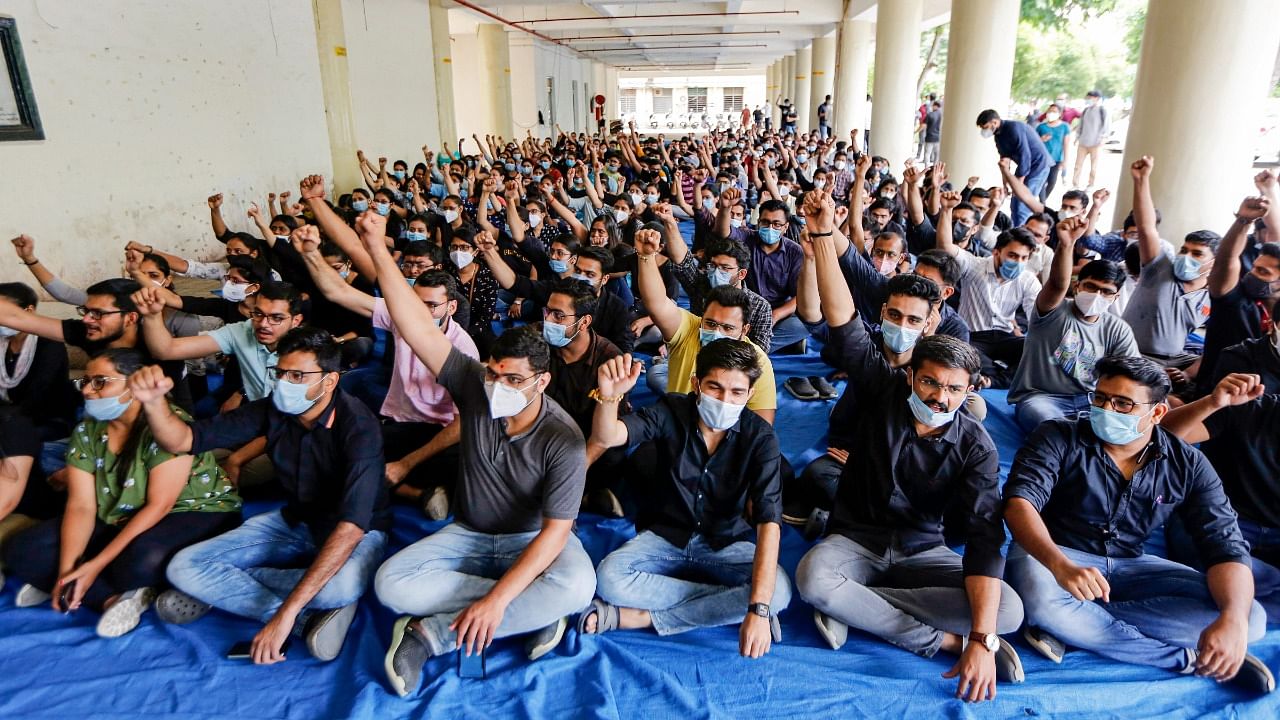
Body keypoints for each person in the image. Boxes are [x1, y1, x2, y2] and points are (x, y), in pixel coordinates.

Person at [350, 212, 594, 698]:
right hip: (471, 533)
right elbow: (417, 326)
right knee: (392, 583)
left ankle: (430, 634)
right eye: (494, 374)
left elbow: (553, 535)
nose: (499, 387)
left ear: (541, 382)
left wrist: (497, 600)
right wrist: (378, 248)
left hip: (530, 542)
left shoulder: (563, 440)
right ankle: (533, 614)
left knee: (577, 587)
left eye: (514, 380)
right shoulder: (471, 386)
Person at [794, 191, 1025, 701]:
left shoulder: (977, 446)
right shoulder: (883, 387)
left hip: (924, 548)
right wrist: (821, 237)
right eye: (928, 384)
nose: (939, 398)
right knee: (813, 578)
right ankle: (937, 640)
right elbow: (842, 320)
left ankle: (863, 605)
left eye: (952, 389)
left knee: (1009, 609)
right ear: (912, 377)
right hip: (857, 538)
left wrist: (985, 639)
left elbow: (986, 538)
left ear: (971, 391)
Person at [1004, 356, 1273, 695]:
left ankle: (1074, 622)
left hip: (1131, 567)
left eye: (1123, 403)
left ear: (1157, 413)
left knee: (1250, 618)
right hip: (1052, 557)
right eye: (1100, 398)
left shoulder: (1187, 463)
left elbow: (1225, 545)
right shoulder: (1058, 436)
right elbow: (1019, 503)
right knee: (1042, 599)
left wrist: (1232, 620)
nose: (1106, 409)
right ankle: (1188, 661)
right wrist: (1062, 567)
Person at [135, 327, 391, 664]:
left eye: (298, 375)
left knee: (338, 588)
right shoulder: (273, 410)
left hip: (358, 531)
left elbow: (351, 527)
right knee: (184, 567)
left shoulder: (359, 427)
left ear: (329, 381)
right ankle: (306, 621)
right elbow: (182, 440)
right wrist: (154, 404)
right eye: (281, 372)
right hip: (296, 520)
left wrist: (279, 613)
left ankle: (227, 587)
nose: (285, 382)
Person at [3, 349, 241, 638]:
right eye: (86, 382)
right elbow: (81, 506)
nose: (88, 390)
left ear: (134, 384)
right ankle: (109, 598)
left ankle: (115, 583)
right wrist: (67, 571)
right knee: (24, 550)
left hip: (193, 510)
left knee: (138, 561)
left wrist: (94, 565)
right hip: (119, 512)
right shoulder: (88, 430)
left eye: (101, 382)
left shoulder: (168, 424)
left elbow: (159, 505)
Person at [579, 343, 790, 656]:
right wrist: (610, 397)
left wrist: (759, 607)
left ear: (749, 394)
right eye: (715, 388)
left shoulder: (760, 437)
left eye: (736, 392)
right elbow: (610, 436)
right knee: (609, 578)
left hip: (726, 542)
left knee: (779, 592)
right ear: (696, 384)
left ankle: (640, 618)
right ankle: (727, 605)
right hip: (665, 536)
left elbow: (769, 522)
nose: (724, 400)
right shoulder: (671, 410)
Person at [294, 225, 477, 519]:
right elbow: (337, 291)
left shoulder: (463, 349)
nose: (421, 313)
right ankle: (415, 493)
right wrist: (311, 253)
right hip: (402, 423)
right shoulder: (401, 316)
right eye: (416, 304)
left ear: (451, 307)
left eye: (431, 305)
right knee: (336, 451)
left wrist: (406, 464)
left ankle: (392, 479)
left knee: (471, 467)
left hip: (440, 433)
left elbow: (461, 423)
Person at [1162, 372, 1280, 620]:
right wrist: (1211, 403)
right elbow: (1160, 437)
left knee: (1233, 592)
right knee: (1222, 577)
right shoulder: (1251, 408)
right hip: (1217, 524)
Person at [635, 228, 778, 424]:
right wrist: (646, 257)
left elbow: (762, 427)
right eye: (710, 323)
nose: (716, 332)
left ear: (744, 331)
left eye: (728, 328)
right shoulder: (690, 329)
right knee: (655, 374)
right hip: (681, 427)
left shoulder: (758, 360)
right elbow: (657, 302)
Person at [1009, 218, 1139, 432]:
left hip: (1092, 400)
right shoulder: (1052, 311)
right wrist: (1067, 244)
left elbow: (1131, 373)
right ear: (1077, 287)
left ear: (1115, 297)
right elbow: (1057, 284)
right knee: (1051, 425)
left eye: (1106, 291)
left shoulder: (1118, 329)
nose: (1097, 295)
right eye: (1091, 287)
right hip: (1040, 398)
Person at [1118, 157, 1216, 377]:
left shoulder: (1212, 296)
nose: (1186, 256)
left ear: (1214, 263)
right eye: (1184, 250)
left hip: (1175, 360)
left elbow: (1219, 345)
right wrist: (1141, 180)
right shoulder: (1160, 268)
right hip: (1132, 354)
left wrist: (1189, 374)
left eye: (1197, 254)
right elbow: (1146, 228)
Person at [936, 191, 1042, 388]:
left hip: (1005, 336)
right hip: (972, 336)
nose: (1018, 262)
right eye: (1012, 255)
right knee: (963, 351)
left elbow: (1037, 316)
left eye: (1023, 258)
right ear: (996, 252)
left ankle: (990, 378)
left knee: (1035, 350)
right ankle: (998, 376)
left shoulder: (1028, 280)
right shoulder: (974, 266)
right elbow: (945, 246)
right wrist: (946, 209)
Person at [1195, 191, 1275, 396]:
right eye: (1255, 267)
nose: (1252, 274)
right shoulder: (1236, 302)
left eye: (1263, 272)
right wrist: (1244, 221)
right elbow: (1226, 260)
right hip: (1215, 405)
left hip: (1266, 413)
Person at [976, 109, 1053, 226]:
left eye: (986, 127)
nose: (984, 131)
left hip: (1038, 165)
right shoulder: (998, 136)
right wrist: (1005, 184)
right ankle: (1015, 230)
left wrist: (1018, 184)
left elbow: (1025, 157)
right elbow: (1004, 162)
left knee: (1023, 203)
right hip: (1025, 167)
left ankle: (1020, 234)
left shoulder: (1014, 128)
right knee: (1015, 203)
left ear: (995, 122)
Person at [1072, 91, 1109, 189]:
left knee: (1094, 167)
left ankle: (1091, 184)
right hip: (1083, 142)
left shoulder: (1103, 111)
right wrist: (1077, 138)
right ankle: (1075, 184)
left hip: (1096, 143)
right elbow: (1081, 125)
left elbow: (1106, 127)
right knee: (1077, 165)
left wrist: (1103, 139)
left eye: (1089, 98)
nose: (1087, 100)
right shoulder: (1085, 111)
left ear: (1096, 98)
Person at [1035, 104, 1070, 203]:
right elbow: (1034, 142)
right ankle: (1042, 203)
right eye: (1049, 111)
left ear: (1059, 114)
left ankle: (1042, 201)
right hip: (1042, 159)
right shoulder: (1041, 127)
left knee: (1052, 182)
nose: (1051, 114)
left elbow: (1066, 144)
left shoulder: (1064, 127)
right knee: (1041, 181)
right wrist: (1042, 139)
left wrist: (1065, 161)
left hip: (1056, 159)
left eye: (1054, 111)